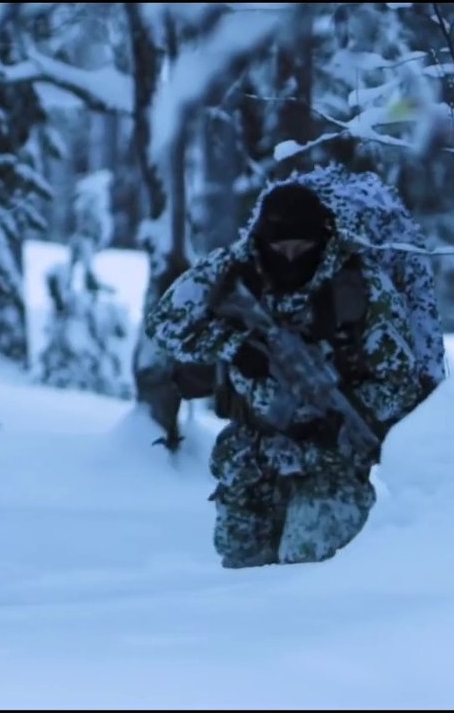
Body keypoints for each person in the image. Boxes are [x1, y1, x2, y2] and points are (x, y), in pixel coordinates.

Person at [144, 182, 425, 568]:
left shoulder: (362, 288)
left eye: (303, 248)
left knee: (308, 566)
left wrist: (337, 419)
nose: (291, 257)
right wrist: (235, 346)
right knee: (241, 571)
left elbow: (400, 385)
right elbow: (164, 324)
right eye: (281, 248)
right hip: (251, 456)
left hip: (331, 461)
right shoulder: (234, 268)